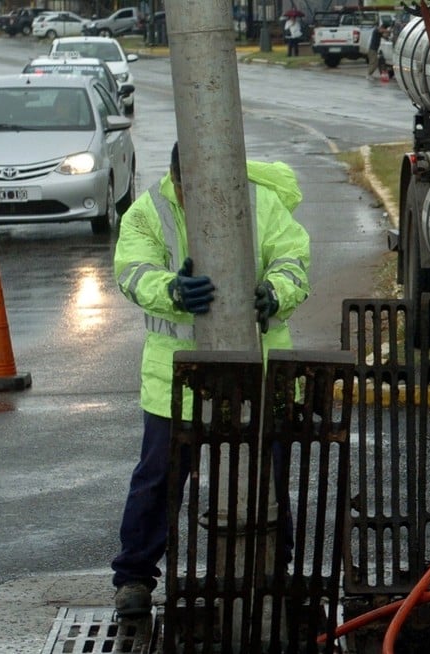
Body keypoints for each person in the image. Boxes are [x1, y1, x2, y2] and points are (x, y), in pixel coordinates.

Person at [110, 142, 311, 617]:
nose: (196, 197)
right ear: (175, 180)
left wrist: (274, 293)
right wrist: (171, 290)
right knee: (159, 479)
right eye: (188, 188)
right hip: (177, 378)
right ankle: (135, 577)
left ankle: (272, 573)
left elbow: (294, 262)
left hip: (258, 371)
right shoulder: (149, 212)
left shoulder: (262, 202)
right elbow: (133, 273)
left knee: (268, 480)